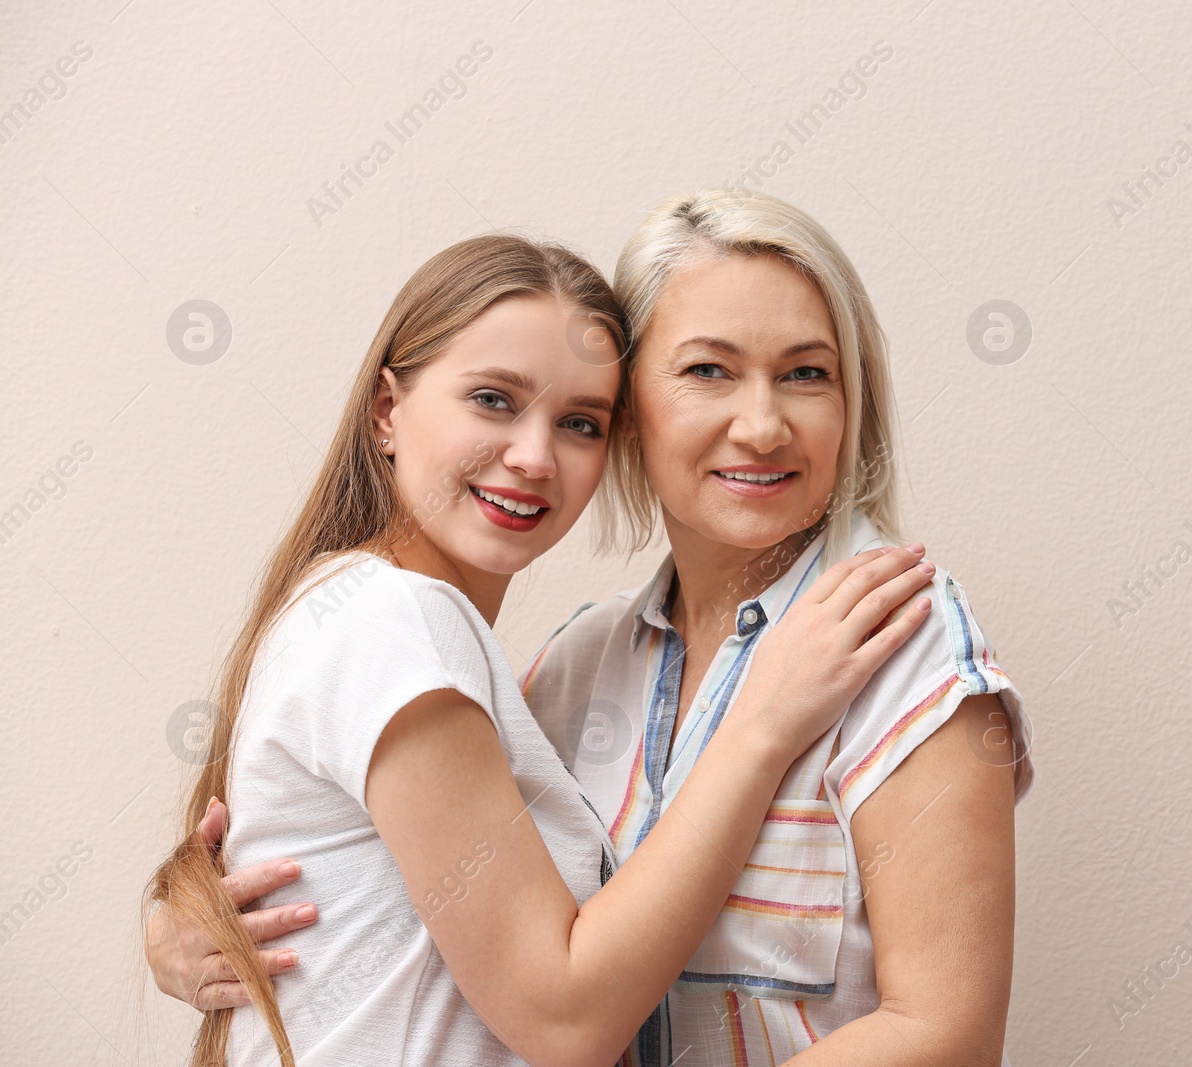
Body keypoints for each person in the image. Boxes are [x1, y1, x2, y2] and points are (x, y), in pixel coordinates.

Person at [149, 190, 1032, 1065]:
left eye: (806, 372)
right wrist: (185, 903)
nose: (762, 425)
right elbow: (446, 923)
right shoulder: (575, 665)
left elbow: (944, 1037)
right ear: (635, 418)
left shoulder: (896, 635)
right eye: (708, 370)